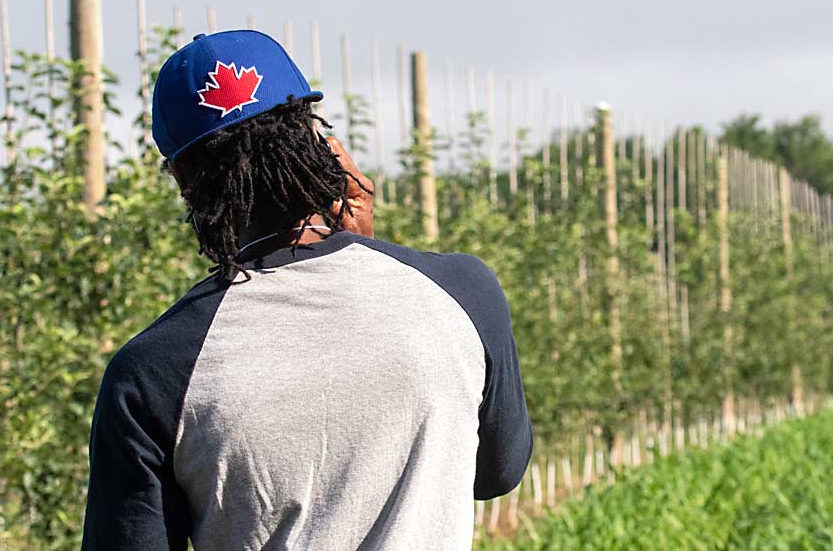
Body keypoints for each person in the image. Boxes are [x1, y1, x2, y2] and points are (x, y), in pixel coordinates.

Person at [81, 30, 533, 550]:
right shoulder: (462, 292)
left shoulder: (152, 372)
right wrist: (362, 247)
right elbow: (496, 471)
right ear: (318, 140)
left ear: (185, 180)